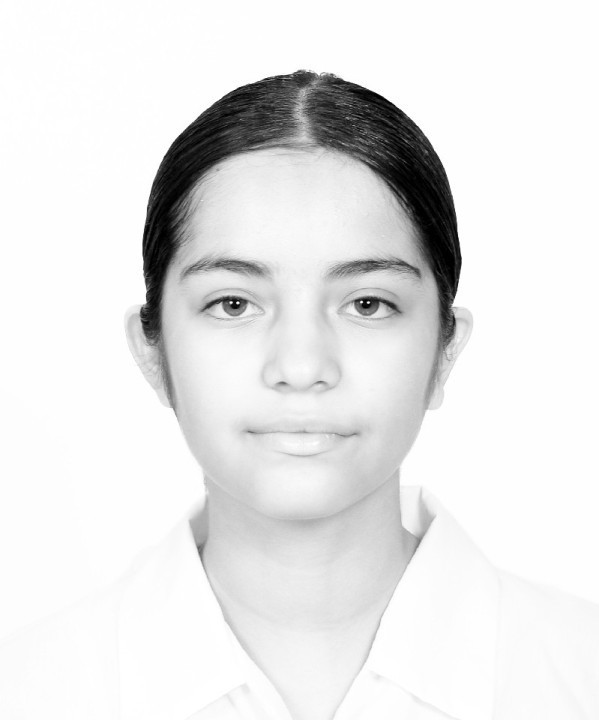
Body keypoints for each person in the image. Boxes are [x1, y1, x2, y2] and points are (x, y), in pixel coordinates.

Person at [1, 70, 598, 720]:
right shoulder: (28, 692)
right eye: (233, 303)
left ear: (444, 349)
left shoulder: (579, 674)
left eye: (367, 304)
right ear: (152, 350)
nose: (301, 365)